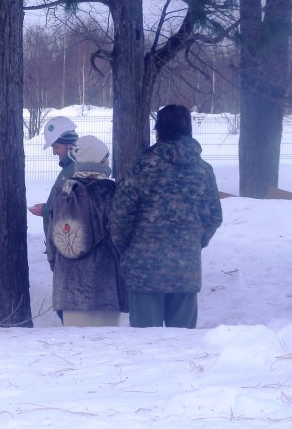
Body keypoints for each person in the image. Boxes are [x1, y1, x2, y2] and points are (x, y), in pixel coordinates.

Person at [111, 104, 223, 329]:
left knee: (146, 345)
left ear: (158, 130)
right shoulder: (203, 170)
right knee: (180, 347)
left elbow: (121, 213)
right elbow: (213, 216)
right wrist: (195, 242)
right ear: (188, 129)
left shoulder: (143, 166)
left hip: (144, 270)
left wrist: (125, 246)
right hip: (186, 270)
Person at [48, 135, 128, 327]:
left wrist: (58, 267)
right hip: (104, 289)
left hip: (67, 289)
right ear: (99, 161)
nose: (108, 161)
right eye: (106, 157)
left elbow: (52, 239)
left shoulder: (63, 191)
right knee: (103, 350)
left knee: (75, 351)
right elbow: (119, 237)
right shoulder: (110, 192)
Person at [28, 116, 79, 241]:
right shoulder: (69, 167)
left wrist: (45, 210)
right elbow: (64, 199)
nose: (54, 152)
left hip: (66, 246)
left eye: (56, 147)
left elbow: (70, 207)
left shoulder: (75, 170)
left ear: (68, 144)